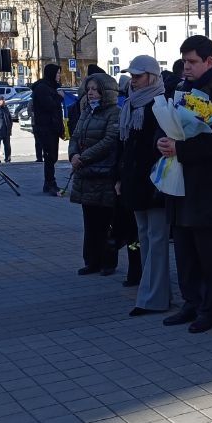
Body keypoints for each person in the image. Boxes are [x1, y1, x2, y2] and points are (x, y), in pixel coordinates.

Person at [159, 35, 212, 334]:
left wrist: (180, 150)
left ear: (209, 61)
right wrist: (166, 141)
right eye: (184, 61)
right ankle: (190, 302)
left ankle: (210, 307)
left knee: (206, 248)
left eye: (192, 61)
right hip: (179, 180)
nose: (186, 67)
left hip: (207, 183)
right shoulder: (183, 88)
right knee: (183, 246)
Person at [117, 56, 170, 315]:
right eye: (132, 76)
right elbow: (125, 146)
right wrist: (120, 178)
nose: (133, 80)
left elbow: (159, 147)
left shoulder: (160, 103)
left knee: (157, 239)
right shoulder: (130, 104)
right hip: (134, 182)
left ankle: (154, 298)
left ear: (152, 76)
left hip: (154, 182)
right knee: (145, 236)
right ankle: (154, 293)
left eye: (138, 76)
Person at [69, 73, 121, 276]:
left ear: (105, 91)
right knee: (89, 221)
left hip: (103, 173)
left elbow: (110, 140)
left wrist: (84, 157)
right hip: (86, 175)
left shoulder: (114, 112)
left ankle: (108, 262)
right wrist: (73, 154)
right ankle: (91, 261)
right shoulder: (86, 112)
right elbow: (75, 135)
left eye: (95, 89)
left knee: (105, 221)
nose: (90, 93)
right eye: (88, 89)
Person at [31, 64, 65, 194]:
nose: (59, 76)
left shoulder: (50, 87)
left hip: (52, 127)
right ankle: (50, 183)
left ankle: (49, 183)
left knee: (52, 156)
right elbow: (49, 105)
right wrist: (59, 97)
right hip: (45, 128)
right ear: (51, 74)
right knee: (50, 157)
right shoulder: (42, 88)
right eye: (57, 73)